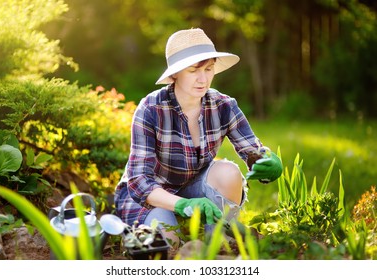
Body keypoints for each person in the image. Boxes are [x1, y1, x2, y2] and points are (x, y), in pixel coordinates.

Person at [114, 28, 282, 247]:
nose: (203, 79)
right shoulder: (150, 108)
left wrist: (267, 162)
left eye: (209, 69)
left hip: (194, 189)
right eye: (194, 70)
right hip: (152, 198)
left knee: (229, 172)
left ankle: (217, 238)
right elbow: (139, 183)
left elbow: (253, 151)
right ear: (175, 74)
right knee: (167, 243)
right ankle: (179, 230)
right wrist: (184, 205)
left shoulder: (224, 105)